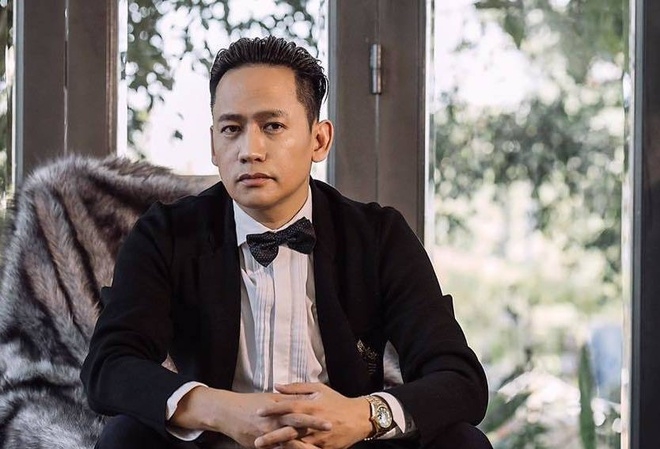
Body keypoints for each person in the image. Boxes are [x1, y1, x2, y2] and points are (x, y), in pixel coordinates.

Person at [81, 36, 490, 449]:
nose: (250, 150)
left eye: (272, 126)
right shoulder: (165, 234)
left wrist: (363, 416)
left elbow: (460, 378)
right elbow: (109, 365)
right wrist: (222, 411)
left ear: (319, 140)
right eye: (231, 129)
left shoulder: (378, 235)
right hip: (220, 439)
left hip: (345, 442)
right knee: (124, 438)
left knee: (463, 442)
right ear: (213, 144)